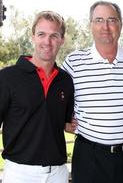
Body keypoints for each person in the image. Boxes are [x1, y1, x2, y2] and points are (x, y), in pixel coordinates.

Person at [62, 1, 123, 183]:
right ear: (90, 25)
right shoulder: (74, 61)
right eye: (98, 20)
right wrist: (63, 120)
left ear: (120, 25)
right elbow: (56, 96)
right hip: (89, 156)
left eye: (111, 20)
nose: (105, 27)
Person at [0, 11, 74, 183]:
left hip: (57, 173)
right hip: (19, 173)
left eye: (54, 36)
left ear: (61, 40)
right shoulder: (7, 77)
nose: (47, 42)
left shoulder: (65, 80)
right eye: (41, 34)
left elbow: (66, 121)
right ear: (33, 37)